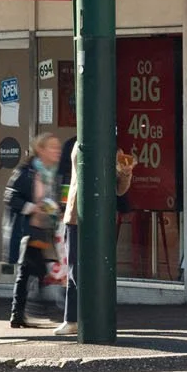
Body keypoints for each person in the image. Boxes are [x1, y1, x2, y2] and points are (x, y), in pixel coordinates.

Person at [56, 137, 136, 336]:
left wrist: (126, 173)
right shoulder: (74, 143)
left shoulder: (111, 147)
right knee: (74, 268)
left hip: (96, 216)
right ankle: (72, 318)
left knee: (86, 268)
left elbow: (120, 189)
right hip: (75, 214)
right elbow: (66, 176)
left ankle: (85, 317)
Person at [5, 133, 63, 329]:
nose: (57, 151)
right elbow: (11, 198)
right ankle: (28, 310)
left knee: (34, 270)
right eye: (52, 147)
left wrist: (55, 209)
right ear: (40, 150)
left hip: (45, 229)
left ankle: (21, 312)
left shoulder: (52, 173)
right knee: (31, 270)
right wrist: (33, 207)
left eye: (58, 148)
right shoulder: (27, 172)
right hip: (28, 230)